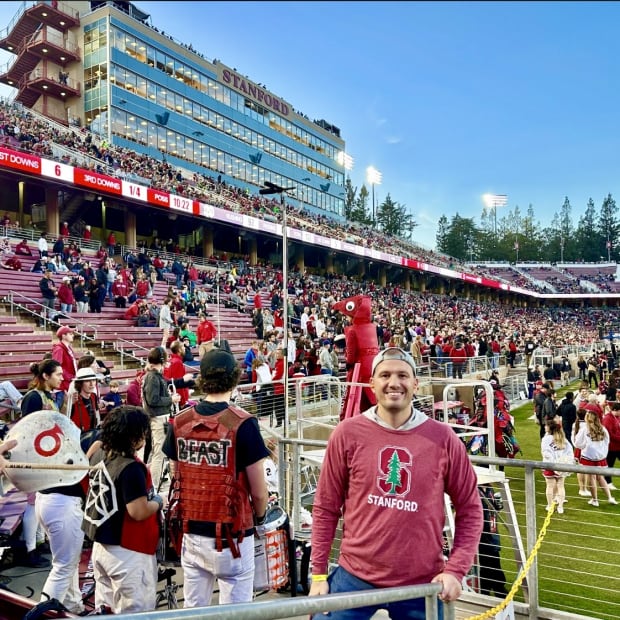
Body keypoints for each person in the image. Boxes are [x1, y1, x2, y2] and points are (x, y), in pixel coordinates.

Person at [309, 347, 483, 618]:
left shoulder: (443, 438)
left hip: (422, 584)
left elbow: (470, 509)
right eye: (385, 375)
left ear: (415, 383)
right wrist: (319, 574)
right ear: (372, 383)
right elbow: (325, 506)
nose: (394, 383)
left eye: (403, 375)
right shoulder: (347, 433)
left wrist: (456, 570)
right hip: (354, 576)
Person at [162, 348, 269, 607]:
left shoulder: (180, 421)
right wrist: (261, 517)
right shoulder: (242, 424)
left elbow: (180, 476)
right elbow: (258, 492)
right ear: (234, 378)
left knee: (193, 610)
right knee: (236, 612)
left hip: (191, 531)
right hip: (232, 535)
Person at [82, 406, 162, 614]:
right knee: (135, 612)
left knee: (106, 609)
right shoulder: (130, 467)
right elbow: (138, 511)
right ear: (134, 435)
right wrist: (159, 502)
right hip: (128, 550)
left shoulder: (99, 453)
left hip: (101, 546)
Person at [141, 346, 180, 490]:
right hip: (158, 419)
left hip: (159, 418)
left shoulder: (154, 376)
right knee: (159, 454)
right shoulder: (152, 377)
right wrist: (171, 399)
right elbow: (153, 400)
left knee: (159, 453)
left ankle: (154, 484)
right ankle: (153, 486)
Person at [572, 410, 617, 507]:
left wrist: (585, 446)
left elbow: (577, 443)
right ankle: (610, 497)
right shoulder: (603, 428)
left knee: (591, 478)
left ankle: (595, 500)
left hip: (588, 457)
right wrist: (602, 451)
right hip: (600, 457)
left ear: (587, 418)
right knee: (600, 477)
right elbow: (607, 441)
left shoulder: (584, 429)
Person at [541, 419, 574, 514]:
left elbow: (546, 453)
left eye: (546, 425)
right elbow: (569, 452)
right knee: (561, 486)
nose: (544, 427)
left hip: (550, 465)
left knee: (550, 486)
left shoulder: (546, 439)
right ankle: (560, 507)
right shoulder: (563, 438)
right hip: (561, 466)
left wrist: (553, 463)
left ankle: (549, 505)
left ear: (549, 428)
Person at [52, 325, 78, 409]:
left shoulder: (68, 348)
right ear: (63, 335)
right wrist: (71, 377)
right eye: (70, 334)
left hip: (68, 383)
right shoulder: (59, 349)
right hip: (62, 386)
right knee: (58, 410)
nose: (73, 335)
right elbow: (57, 367)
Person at [602, 401, 620, 490]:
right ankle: (608, 483)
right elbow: (609, 434)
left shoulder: (617, 417)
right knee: (609, 465)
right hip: (611, 447)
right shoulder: (607, 419)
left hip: (618, 446)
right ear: (616, 410)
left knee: (610, 464)